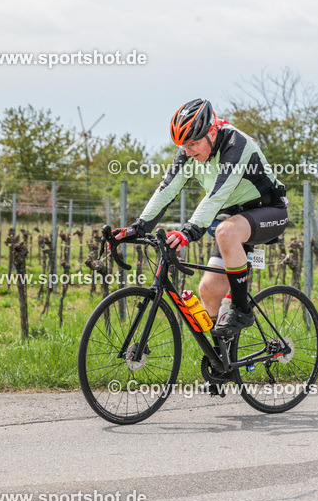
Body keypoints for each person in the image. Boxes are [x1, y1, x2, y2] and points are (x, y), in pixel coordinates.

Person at [114, 98, 287, 337]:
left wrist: (188, 231)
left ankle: (242, 310)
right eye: (183, 145)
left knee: (225, 231)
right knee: (207, 290)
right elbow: (167, 189)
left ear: (213, 131)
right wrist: (138, 227)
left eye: (193, 143)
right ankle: (222, 362)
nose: (188, 151)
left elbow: (216, 195)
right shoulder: (189, 153)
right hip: (232, 216)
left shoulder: (237, 144)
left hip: (268, 211)